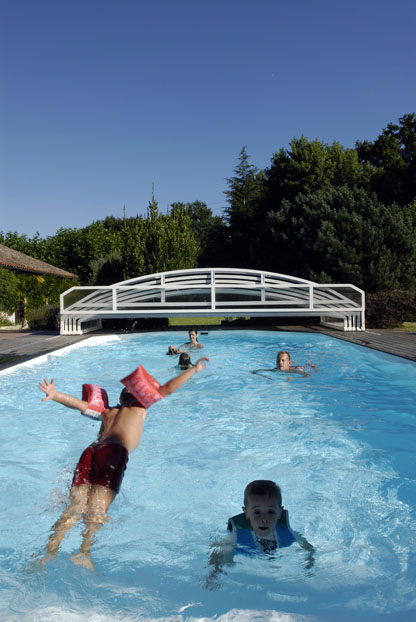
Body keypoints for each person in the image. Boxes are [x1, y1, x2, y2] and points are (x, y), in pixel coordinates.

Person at [38, 357, 210, 570]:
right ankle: (83, 552)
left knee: (74, 506)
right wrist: (193, 370)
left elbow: (81, 405)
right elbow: (168, 389)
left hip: (91, 450)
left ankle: (50, 551)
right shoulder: (140, 406)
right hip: (114, 453)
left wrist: (55, 395)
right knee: (97, 510)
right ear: (140, 393)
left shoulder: (108, 411)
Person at [206, 480, 315, 587]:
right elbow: (219, 548)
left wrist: (308, 563)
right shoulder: (237, 536)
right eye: (257, 512)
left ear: (279, 513)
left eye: (271, 512)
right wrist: (218, 569)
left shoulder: (288, 533)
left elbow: (308, 548)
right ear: (247, 513)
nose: (264, 519)